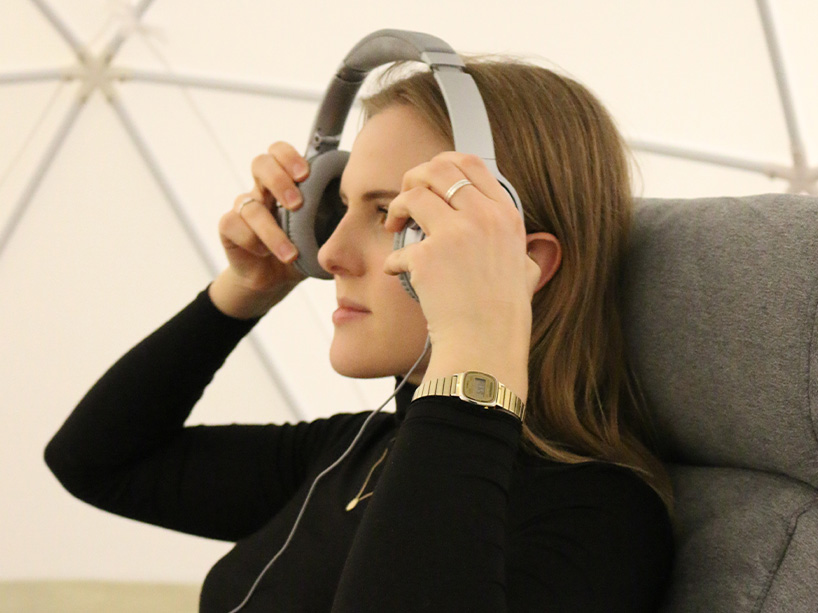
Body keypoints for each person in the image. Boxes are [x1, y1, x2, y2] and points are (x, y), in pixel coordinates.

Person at [45, 54, 675, 612]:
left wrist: (477, 348)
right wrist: (245, 290)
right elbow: (96, 462)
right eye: (332, 210)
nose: (329, 254)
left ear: (525, 264)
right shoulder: (357, 452)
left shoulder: (600, 519)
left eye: (388, 214)